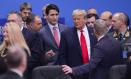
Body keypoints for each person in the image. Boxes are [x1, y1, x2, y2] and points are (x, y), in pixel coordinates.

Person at [58, 9, 97, 79]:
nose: (76, 21)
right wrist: (66, 73)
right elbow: (62, 55)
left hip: (92, 72)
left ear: (85, 19)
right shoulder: (66, 34)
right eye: (74, 19)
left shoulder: (94, 32)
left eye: (78, 19)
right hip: (74, 73)